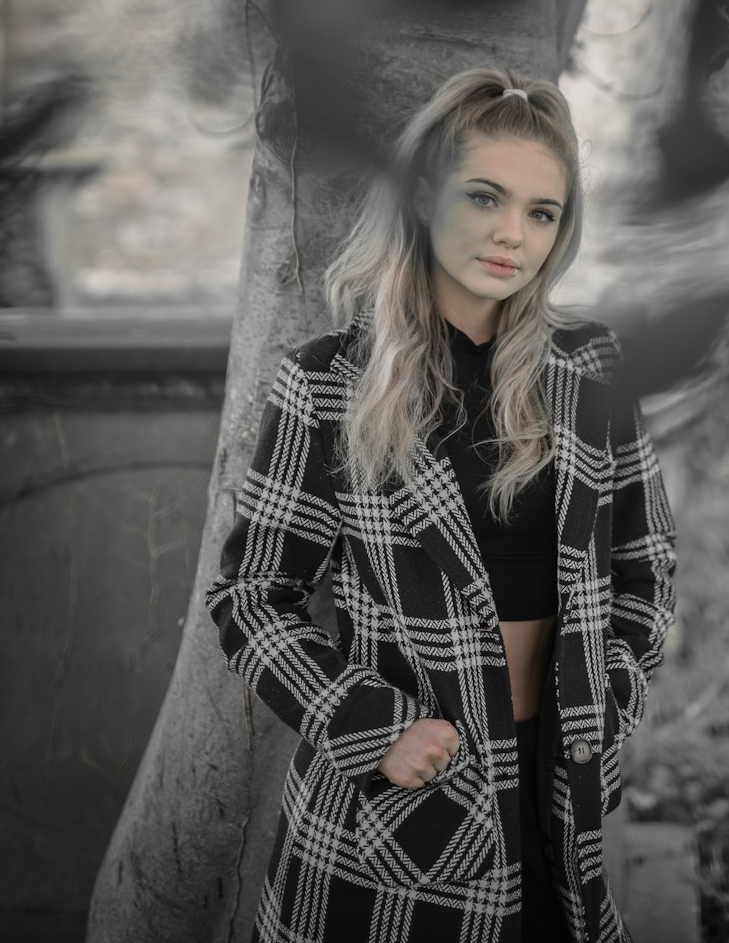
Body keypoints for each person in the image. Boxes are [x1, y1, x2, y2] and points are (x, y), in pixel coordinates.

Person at [205, 67, 678, 943]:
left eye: (542, 213)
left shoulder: (590, 369)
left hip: (557, 786)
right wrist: (368, 726)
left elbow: (646, 571)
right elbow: (251, 596)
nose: (513, 235)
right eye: (486, 197)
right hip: (397, 812)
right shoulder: (329, 383)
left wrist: (608, 699)